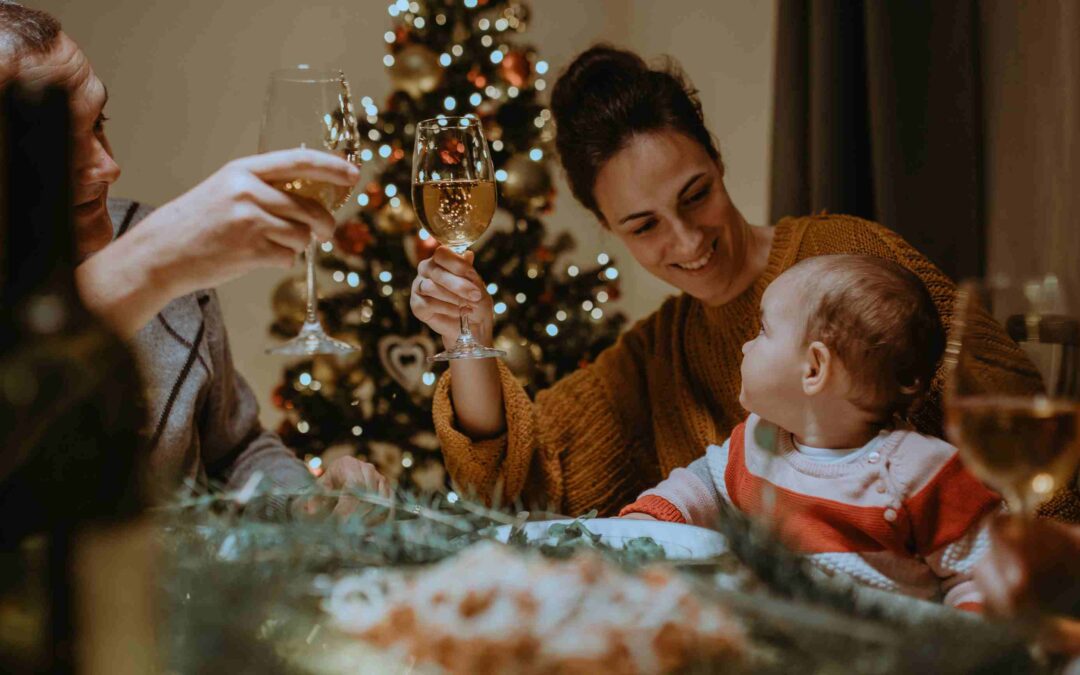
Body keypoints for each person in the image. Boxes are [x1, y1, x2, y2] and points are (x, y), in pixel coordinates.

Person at [409, 44, 1077, 520]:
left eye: (695, 194)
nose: (688, 239)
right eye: (644, 226)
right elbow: (518, 485)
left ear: (717, 159)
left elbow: (1028, 449)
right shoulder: (656, 358)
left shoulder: (848, 255)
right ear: (609, 229)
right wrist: (470, 335)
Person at [0, 2, 388, 516]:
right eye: (56, 145)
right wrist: (152, 263)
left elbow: (236, 448)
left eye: (98, 124)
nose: (107, 166)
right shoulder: (159, 249)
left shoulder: (145, 233)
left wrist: (303, 507)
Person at [618, 255, 997, 610]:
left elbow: (982, 577)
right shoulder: (759, 441)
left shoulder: (920, 472)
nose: (747, 345)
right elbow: (703, 486)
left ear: (814, 369)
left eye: (763, 331)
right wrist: (647, 522)